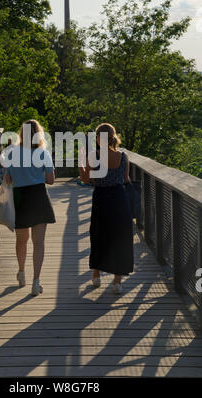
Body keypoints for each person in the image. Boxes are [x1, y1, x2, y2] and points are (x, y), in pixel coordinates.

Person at [2, 120, 56, 296]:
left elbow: (7, 180)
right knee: (38, 243)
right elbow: (50, 180)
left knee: (21, 240)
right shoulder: (43, 153)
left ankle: (21, 272)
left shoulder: (12, 153)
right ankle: (36, 281)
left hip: (20, 198)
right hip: (38, 197)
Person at [80, 123, 134, 294]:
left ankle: (96, 275)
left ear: (98, 138)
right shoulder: (123, 156)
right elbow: (126, 179)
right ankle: (117, 282)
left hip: (101, 198)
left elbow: (86, 179)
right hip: (119, 198)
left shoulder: (92, 156)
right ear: (113, 137)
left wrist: (81, 163)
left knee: (98, 235)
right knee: (120, 237)